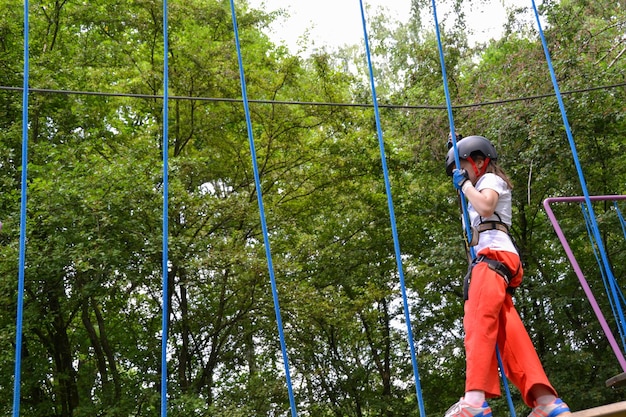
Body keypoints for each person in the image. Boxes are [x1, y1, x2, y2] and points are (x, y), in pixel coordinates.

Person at [443, 135, 571, 417]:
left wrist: (464, 184)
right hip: (499, 258)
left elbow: (486, 207)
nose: (459, 174)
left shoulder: (488, 181)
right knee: (508, 332)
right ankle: (546, 401)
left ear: (480, 162)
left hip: (493, 257)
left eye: (462, 167)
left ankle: (474, 402)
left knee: (478, 321)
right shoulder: (478, 183)